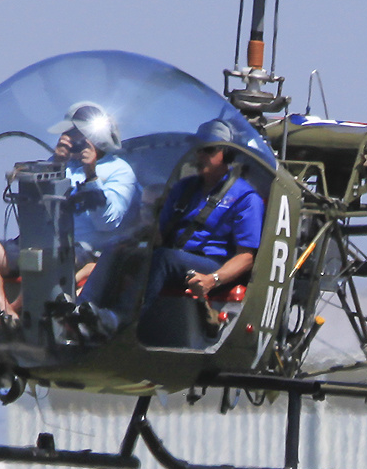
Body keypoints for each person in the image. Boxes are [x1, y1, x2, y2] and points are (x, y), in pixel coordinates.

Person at [77, 117, 264, 336]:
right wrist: (133, 240)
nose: (201, 155)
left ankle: (118, 319)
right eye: (199, 149)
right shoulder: (184, 188)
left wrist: (212, 280)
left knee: (165, 258)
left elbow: (246, 258)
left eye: (209, 150)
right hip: (176, 258)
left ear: (227, 155)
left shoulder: (246, 198)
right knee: (116, 246)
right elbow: (160, 235)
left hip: (213, 264)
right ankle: (80, 311)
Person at [0, 101, 138, 326]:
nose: (67, 138)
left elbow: (108, 223)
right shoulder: (61, 164)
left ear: (91, 137)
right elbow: (33, 210)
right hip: (38, 241)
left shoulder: (120, 170)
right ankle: (6, 315)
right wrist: (56, 164)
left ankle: (16, 312)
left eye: (73, 134)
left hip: (83, 250)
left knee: (49, 257)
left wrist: (91, 174)